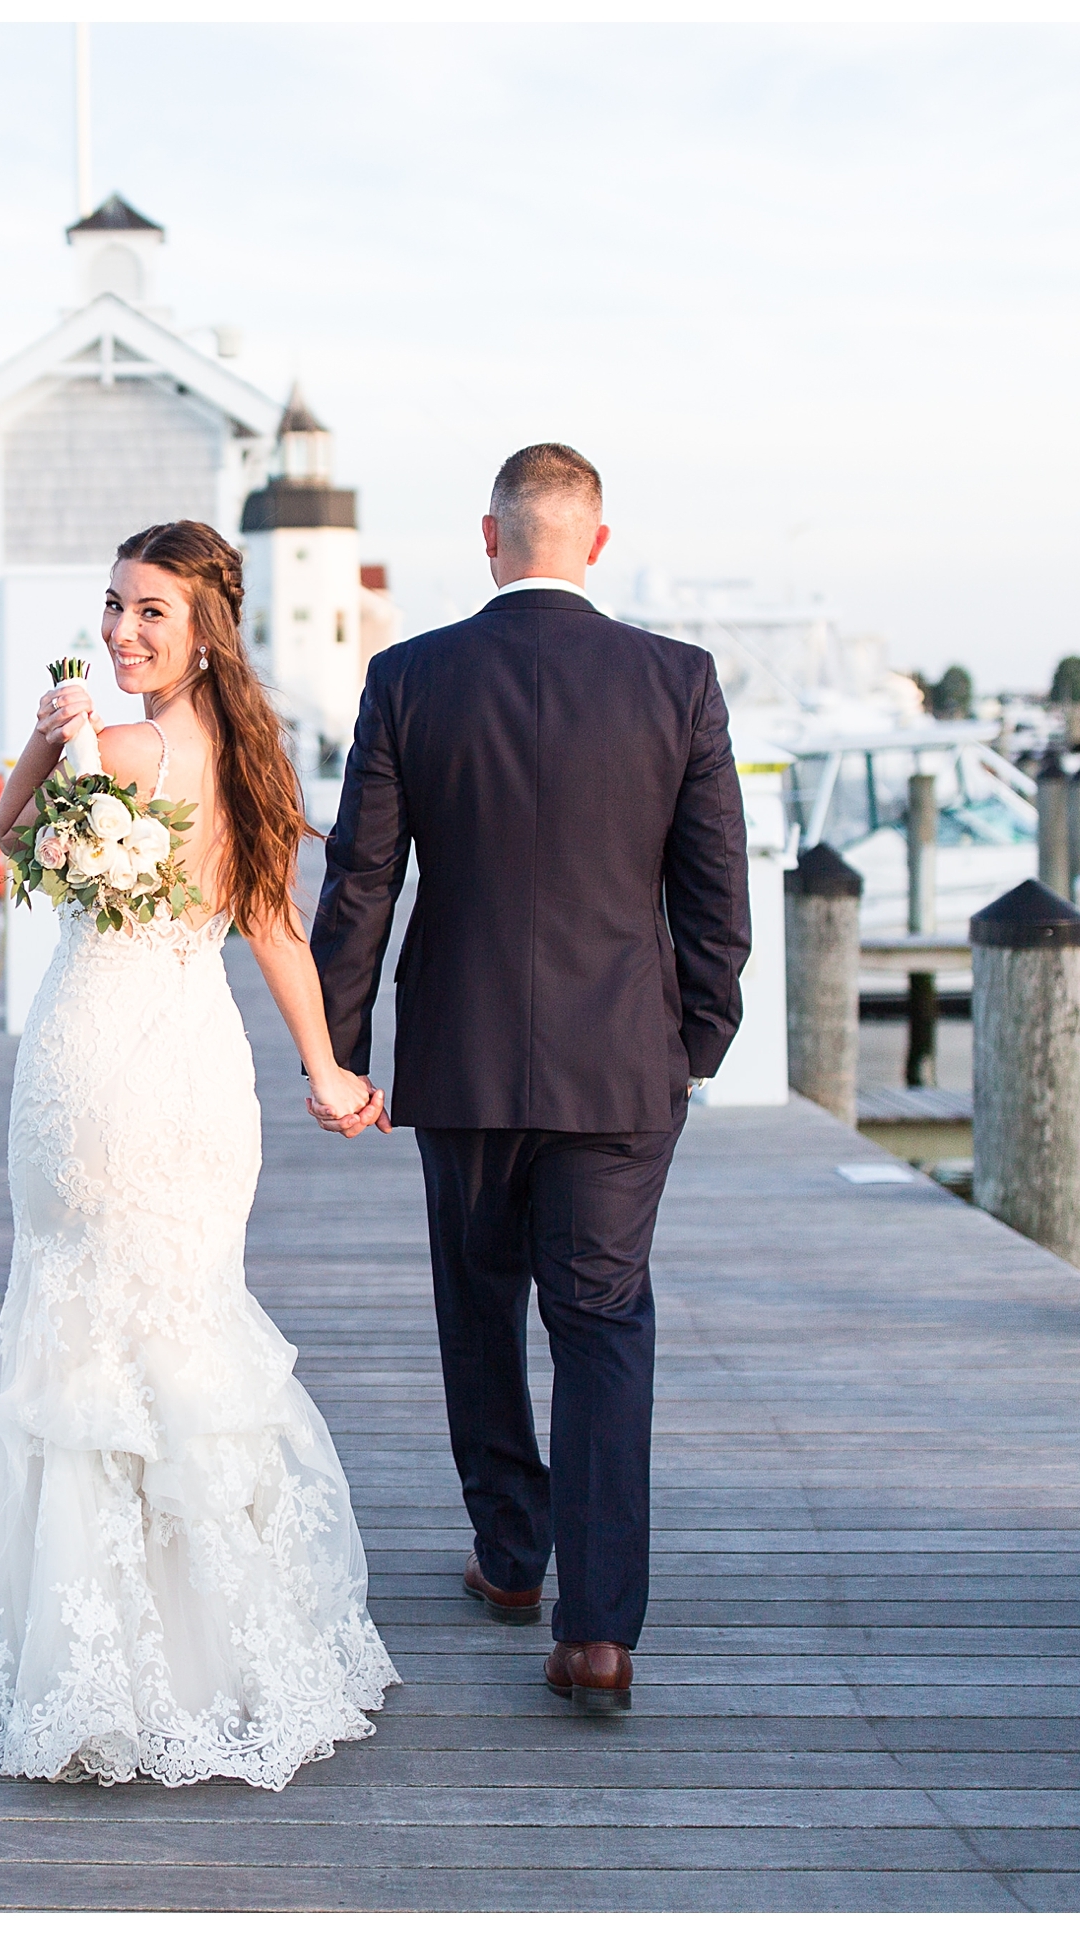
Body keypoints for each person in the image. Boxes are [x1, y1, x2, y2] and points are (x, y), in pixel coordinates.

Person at [307, 444, 752, 1716]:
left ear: (490, 540)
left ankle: (513, 1558)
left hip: (463, 1055)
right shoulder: (676, 681)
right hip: (625, 1066)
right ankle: (599, 1630)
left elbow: (363, 885)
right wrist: (692, 1047)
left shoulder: (410, 677)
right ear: (596, 545)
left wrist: (339, 1051)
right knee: (604, 1326)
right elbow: (716, 901)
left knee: (479, 1304)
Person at [0, 519, 399, 1789]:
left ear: (204, 627)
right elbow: (269, 921)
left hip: (101, 1065)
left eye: (151, 611)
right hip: (201, 1068)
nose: (121, 632)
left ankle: (118, 1671)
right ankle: (223, 1653)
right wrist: (321, 1069)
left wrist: (56, 742)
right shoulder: (246, 755)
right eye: (113, 606)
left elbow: (14, 837)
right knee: (181, 1332)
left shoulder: (133, 749)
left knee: (91, 1343)